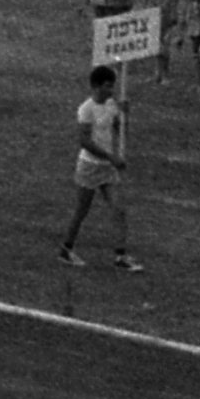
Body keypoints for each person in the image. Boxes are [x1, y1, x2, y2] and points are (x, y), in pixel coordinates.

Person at [61, 73, 128, 263]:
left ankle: (120, 255)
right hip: (89, 166)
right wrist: (110, 156)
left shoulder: (111, 105)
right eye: (107, 86)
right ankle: (66, 248)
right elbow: (84, 141)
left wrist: (124, 116)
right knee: (82, 210)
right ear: (96, 87)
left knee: (119, 209)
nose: (111, 90)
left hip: (107, 167)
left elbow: (119, 129)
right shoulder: (86, 109)